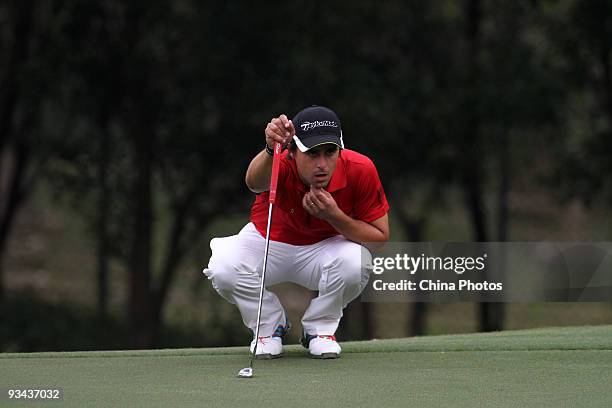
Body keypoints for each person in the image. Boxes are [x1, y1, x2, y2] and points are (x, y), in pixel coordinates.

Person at [203, 105, 390, 359]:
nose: (322, 164)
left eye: (330, 152)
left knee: (357, 262)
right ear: (292, 151)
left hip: (326, 248)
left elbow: (379, 239)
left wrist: (334, 216)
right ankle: (269, 325)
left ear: (340, 148)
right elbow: (253, 183)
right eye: (312, 153)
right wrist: (270, 148)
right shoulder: (279, 161)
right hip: (269, 242)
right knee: (224, 267)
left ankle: (319, 329)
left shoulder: (361, 169)